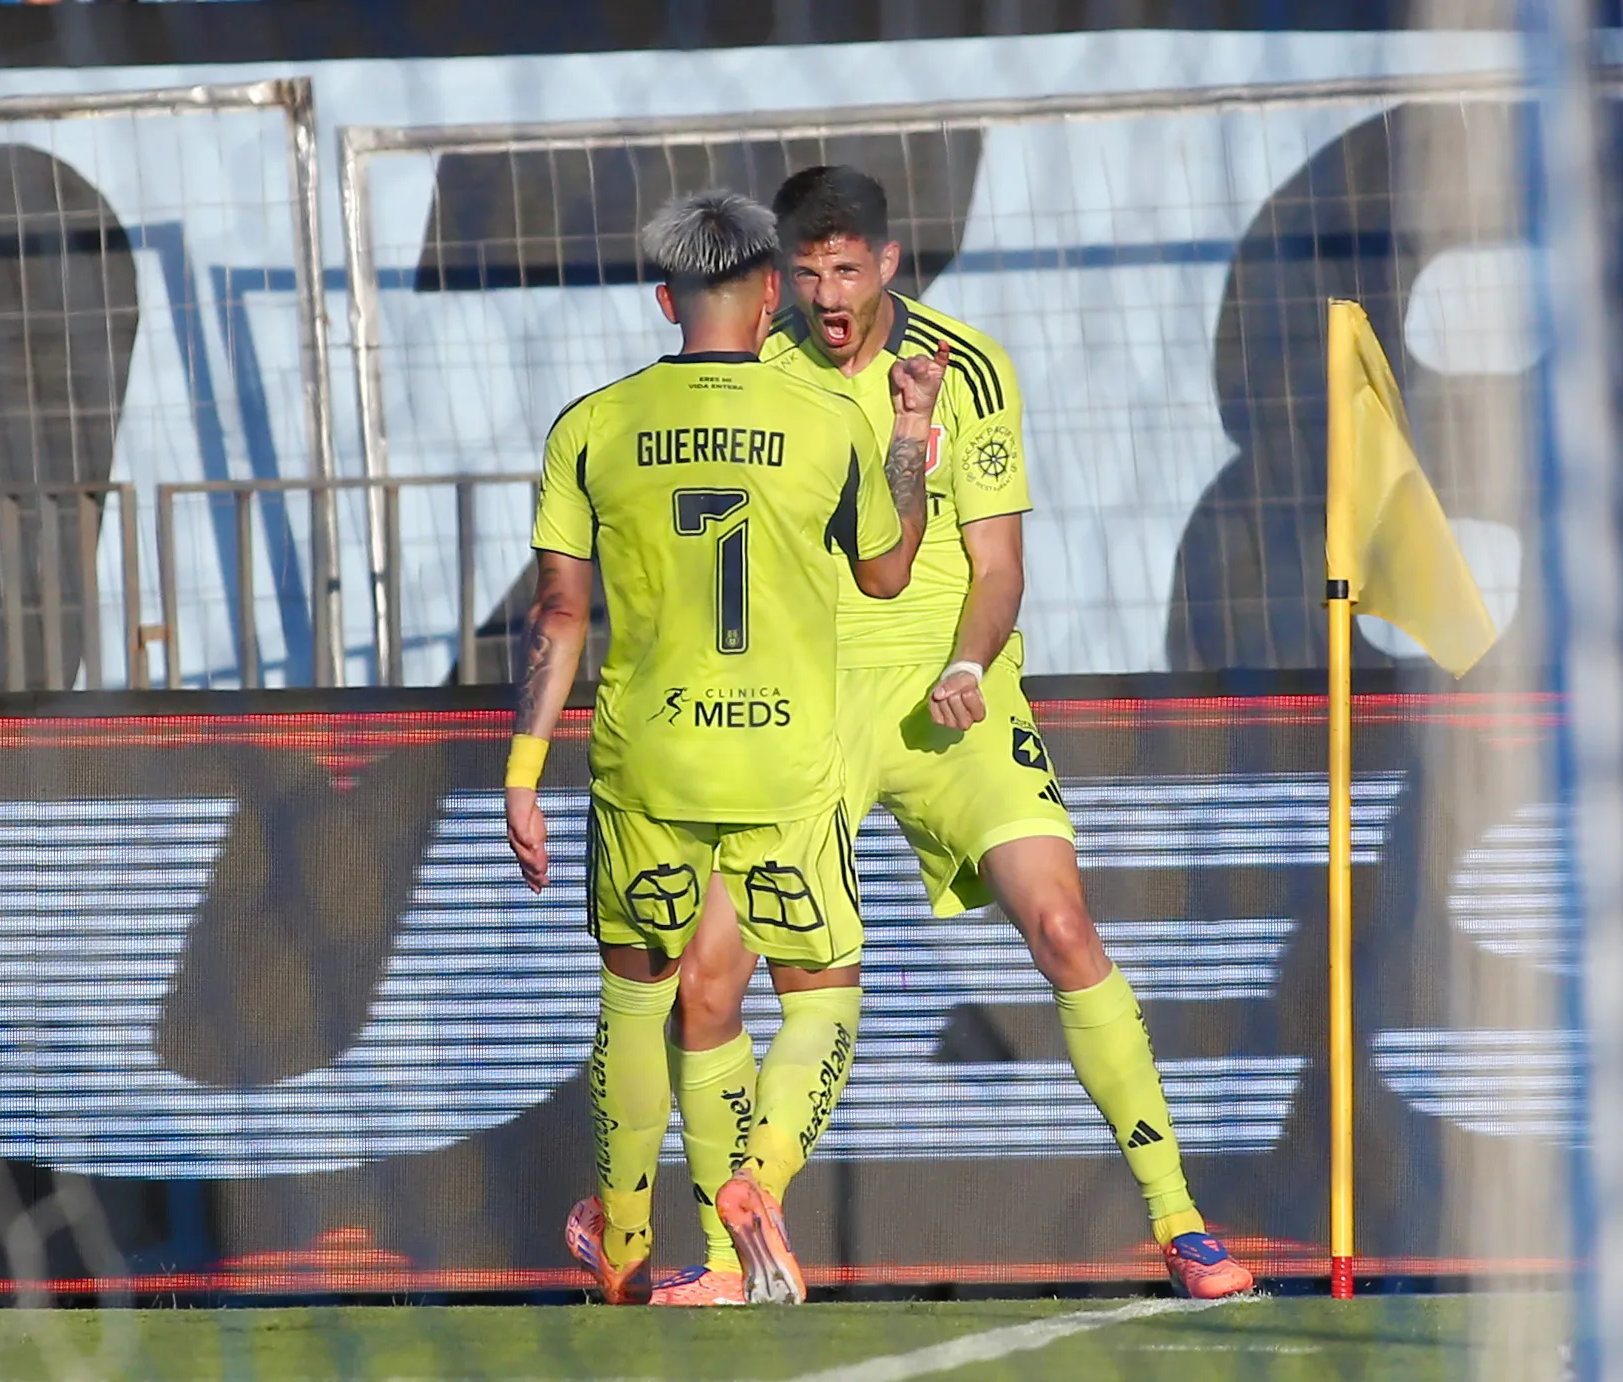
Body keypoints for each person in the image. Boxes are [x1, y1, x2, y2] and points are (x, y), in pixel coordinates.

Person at [638, 166, 1255, 1307]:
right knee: (710, 979)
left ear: (888, 265)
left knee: (1065, 923)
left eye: (846, 270)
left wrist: (970, 662)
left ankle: (1181, 1222)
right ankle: (731, 1256)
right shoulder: (756, 371)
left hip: (949, 699)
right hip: (807, 712)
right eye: (807, 273)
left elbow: (1000, 564)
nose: (826, 294)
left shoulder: (968, 369)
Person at [507, 189, 942, 1305]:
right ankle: (758, 1173)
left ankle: (627, 1241)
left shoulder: (592, 423)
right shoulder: (826, 419)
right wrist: (906, 439)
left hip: (647, 757)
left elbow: (557, 615)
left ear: (665, 298)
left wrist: (523, 771)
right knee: (822, 991)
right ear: (767, 293)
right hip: (785, 759)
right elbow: (889, 573)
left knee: (638, 998)